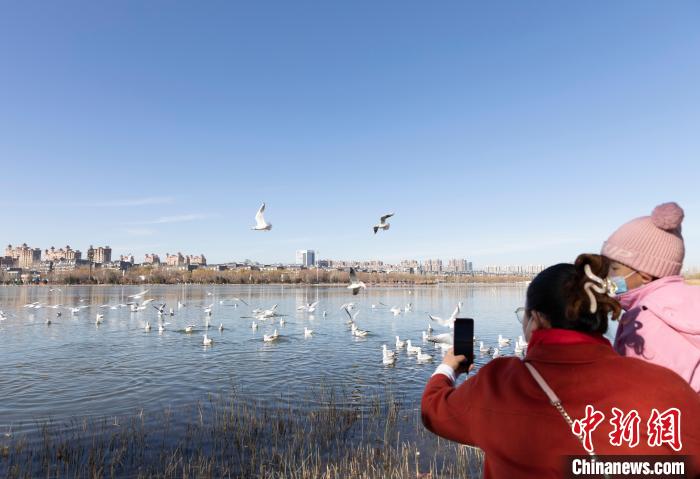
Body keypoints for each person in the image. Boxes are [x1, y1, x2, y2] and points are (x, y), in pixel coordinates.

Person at [421, 254, 700, 479]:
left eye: (524, 315)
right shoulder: (665, 385)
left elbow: (434, 411)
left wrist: (448, 367)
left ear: (537, 319)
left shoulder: (501, 382)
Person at [601, 202, 700, 391]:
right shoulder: (690, 301)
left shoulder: (643, 321)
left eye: (613, 268)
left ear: (645, 275)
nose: (607, 276)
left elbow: (639, 394)